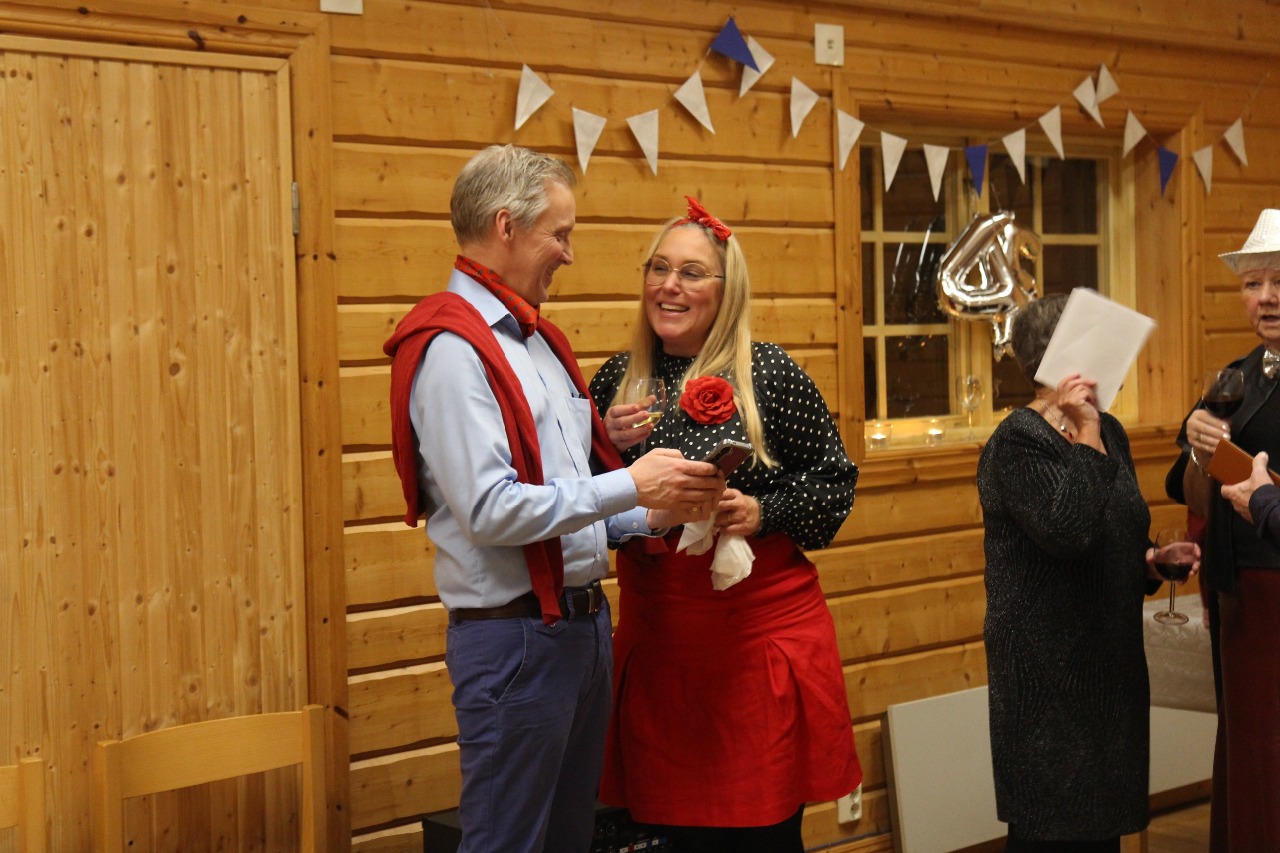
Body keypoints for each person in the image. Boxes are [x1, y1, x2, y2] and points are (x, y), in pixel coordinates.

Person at [382, 146, 725, 853]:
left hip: (581, 631)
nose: (569, 254)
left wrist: (658, 512)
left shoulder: (539, 341)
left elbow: (572, 504)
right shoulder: (453, 349)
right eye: (559, 234)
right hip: (514, 642)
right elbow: (490, 510)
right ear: (506, 227)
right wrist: (632, 482)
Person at [587, 197, 862, 853]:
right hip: (661, 651)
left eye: (691, 273)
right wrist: (598, 442)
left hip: (755, 646)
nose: (670, 286)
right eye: (659, 268)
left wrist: (764, 512)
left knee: (760, 835)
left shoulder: (768, 373)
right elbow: (577, 503)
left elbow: (835, 484)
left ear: (725, 288)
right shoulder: (616, 381)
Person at [978, 293, 1194, 852]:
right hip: (1047, 678)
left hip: (1106, 668)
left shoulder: (1109, 431)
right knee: (1054, 831)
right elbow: (1067, 531)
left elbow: (1112, 528)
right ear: (1062, 358)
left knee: (1099, 831)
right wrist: (1090, 438)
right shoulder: (1018, 441)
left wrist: (1151, 560)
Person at [1165, 208, 1280, 853]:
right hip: (1239, 597)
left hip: (1276, 588)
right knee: (1247, 746)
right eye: (1253, 284)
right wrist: (1199, 450)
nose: (1266, 298)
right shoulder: (1234, 377)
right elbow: (1186, 489)